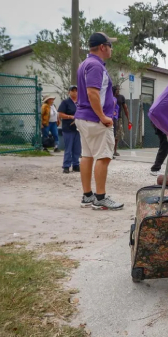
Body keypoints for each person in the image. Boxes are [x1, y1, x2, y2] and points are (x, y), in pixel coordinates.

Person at [74, 32, 124, 211]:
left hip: (83, 117)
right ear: (103, 47)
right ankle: (100, 198)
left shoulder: (85, 64)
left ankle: (87, 195)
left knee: (87, 156)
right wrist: (103, 116)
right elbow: (92, 93)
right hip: (96, 119)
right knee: (103, 157)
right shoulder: (96, 66)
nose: (111, 48)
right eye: (110, 45)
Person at [58, 85, 81, 173]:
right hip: (68, 128)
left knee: (77, 148)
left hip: (78, 128)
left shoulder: (80, 102)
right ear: (69, 92)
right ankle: (66, 165)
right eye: (73, 91)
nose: (74, 92)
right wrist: (70, 116)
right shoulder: (66, 102)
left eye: (76, 91)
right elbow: (60, 114)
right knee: (68, 147)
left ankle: (76, 164)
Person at [111, 85, 130, 157]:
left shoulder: (121, 97)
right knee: (110, 134)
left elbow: (125, 108)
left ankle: (115, 150)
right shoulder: (109, 97)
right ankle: (109, 150)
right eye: (117, 89)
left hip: (118, 118)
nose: (118, 91)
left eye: (119, 89)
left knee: (117, 135)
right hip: (110, 118)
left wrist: (128, 119)